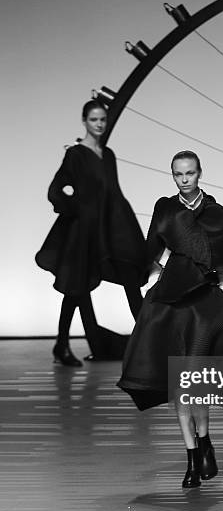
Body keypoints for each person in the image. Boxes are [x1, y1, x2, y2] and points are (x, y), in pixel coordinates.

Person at [118, 150, 223, 488]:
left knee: (197, 384)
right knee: (182, 386)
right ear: (173, 175)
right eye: (178, 174)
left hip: (205, 302)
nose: (184, 179)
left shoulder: (216, 214)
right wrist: (153, 272)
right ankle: (192, 457)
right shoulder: (166, 208)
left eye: (190, 173)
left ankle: (205, 440)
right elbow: (153, 247)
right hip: (172, 301)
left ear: (199, 173)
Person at [36, 100, 147, 366]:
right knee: (75, 288)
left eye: (102, 120)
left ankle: (150, 344)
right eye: (94, 119)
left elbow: (114, 193)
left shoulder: (108, 155)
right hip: (84, 233)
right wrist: (78, 210)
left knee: (131, 279)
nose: (99, 124)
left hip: (110, 228)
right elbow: (55, 190)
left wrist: (128, 227)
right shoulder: (76, 154)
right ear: (84, 121)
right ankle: (61, 345)